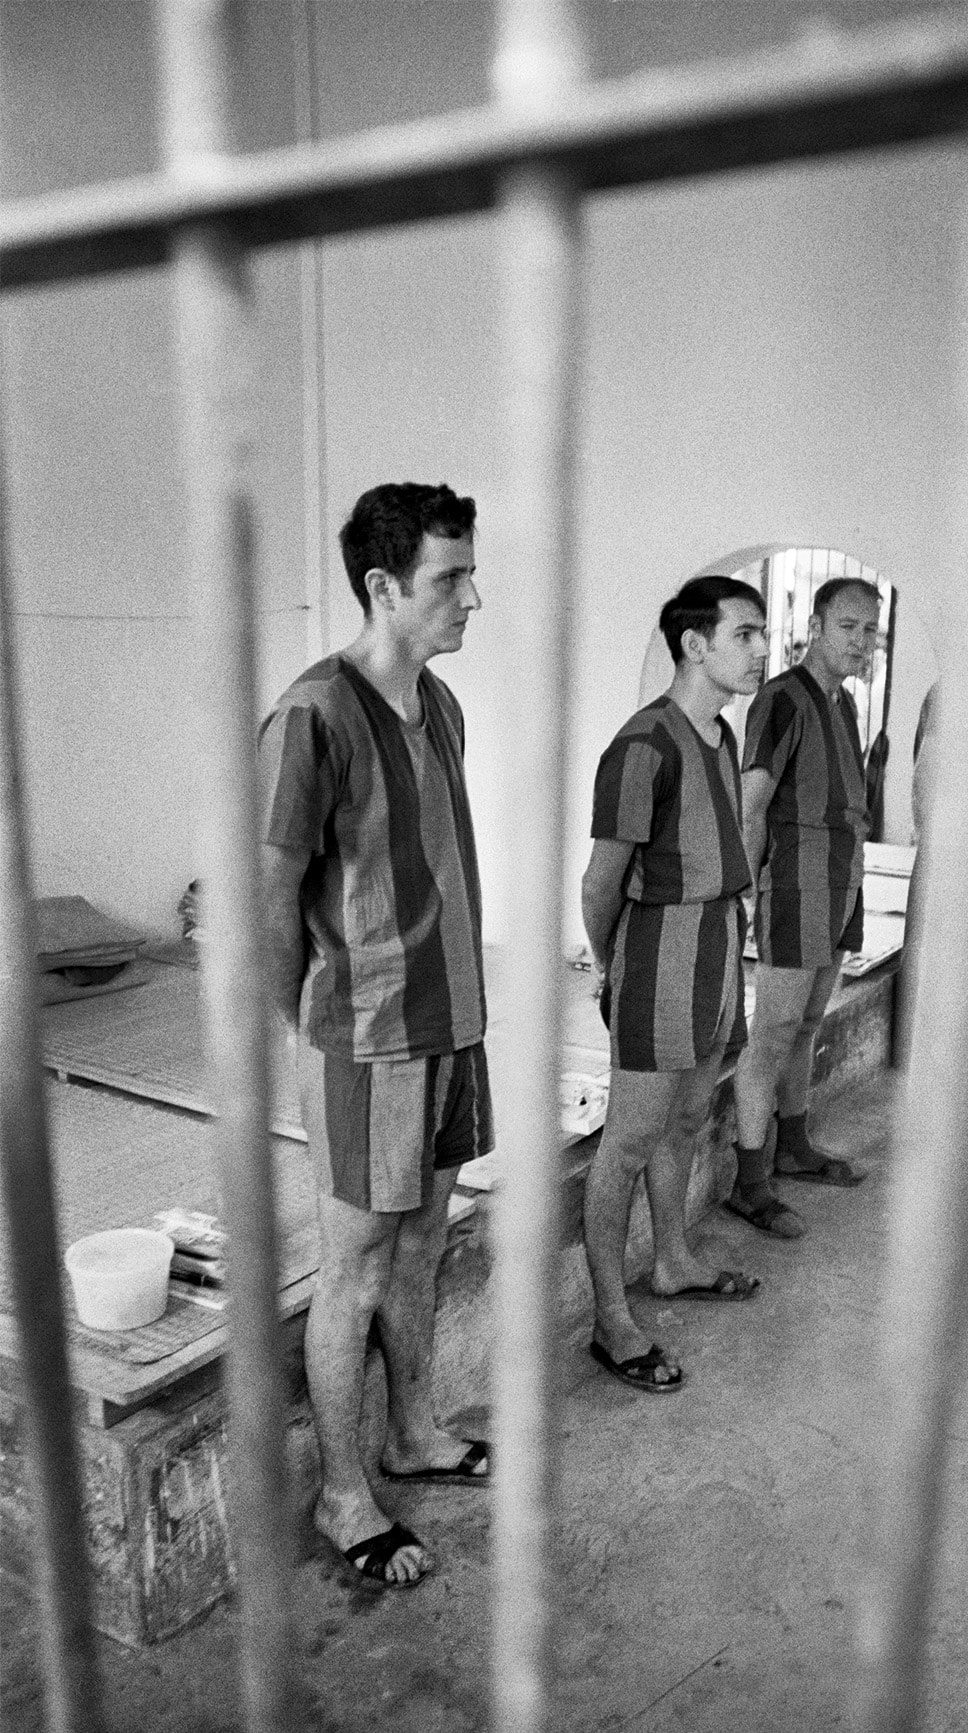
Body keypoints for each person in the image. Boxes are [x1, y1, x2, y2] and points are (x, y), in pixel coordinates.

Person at [259, 482, 492, 1591]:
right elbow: (267, 903)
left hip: (453, 1022)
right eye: (449, 578)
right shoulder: (312, 715)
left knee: (423, 1240)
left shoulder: (439, 705)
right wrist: (314, 1024)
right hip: (367, 1037)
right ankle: (343, 1491)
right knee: (350, 1268)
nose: (471, 597)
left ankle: (413, 1430)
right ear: (382, 585)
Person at [581, 575, 768, 1393]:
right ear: (695, 643)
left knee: (689, 1115)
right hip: (660, 950)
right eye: (746, 635)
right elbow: (599, 883)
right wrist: (612, 964)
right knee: (626, 1141)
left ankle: (672, 1260)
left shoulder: (721, 738)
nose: (761, 651)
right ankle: (609, 1320)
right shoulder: (642, 747)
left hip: (719, 946)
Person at [725, 577, 878, 1240]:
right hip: (794, 887)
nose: (860, 640)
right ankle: (749, 1183)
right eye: (847, 626)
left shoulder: (840, 703)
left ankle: (793, 1144)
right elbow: (750, 805)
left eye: (870, 630)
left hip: (842, 882)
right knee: (773, 1033)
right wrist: (741, 892)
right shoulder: (781, 699)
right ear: (815, 625)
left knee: (808, 1023)